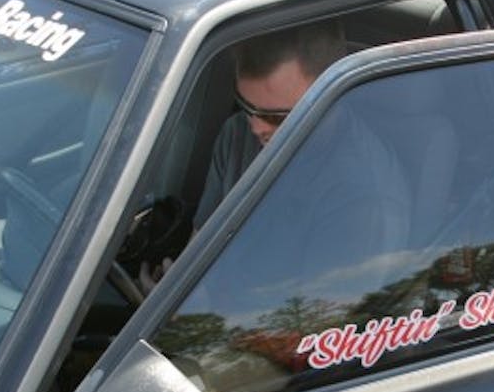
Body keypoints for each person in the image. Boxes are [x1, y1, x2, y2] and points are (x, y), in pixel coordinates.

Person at [139, 19, 351, 292]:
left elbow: (315, 321)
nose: (255, 126)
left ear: (332, 94)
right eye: (247, 106)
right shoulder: (236, 133)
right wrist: (169, 292)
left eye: (275, 116)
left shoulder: (360, 195)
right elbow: (201, 247)